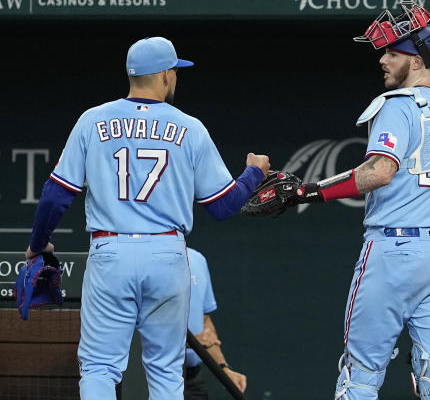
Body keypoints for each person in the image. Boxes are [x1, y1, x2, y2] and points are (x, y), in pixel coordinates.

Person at [25, 36, 269, 400]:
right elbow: (221, 206)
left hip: (110, 251)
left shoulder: (92, 120)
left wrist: (37, 243)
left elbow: (56, 195)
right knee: (166, 371)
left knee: (99, 367)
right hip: (168, 255)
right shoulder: (190, 127)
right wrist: (253, 173)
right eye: (175, 71)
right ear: (166, 75)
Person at [293, 2, 430, 399]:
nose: (382, 60)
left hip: (393, 250)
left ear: (414, 61)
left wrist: (310, 191)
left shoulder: (396, 106)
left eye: (392, 52)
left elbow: (379, 172)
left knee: (360, 374)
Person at [185, 248, 247, 399]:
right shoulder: (143, 262)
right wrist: (188, 343)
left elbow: (205, 320)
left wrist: (223, 368)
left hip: (192, 378)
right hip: (155, 378)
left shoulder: (198, 259)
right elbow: (137, 331)